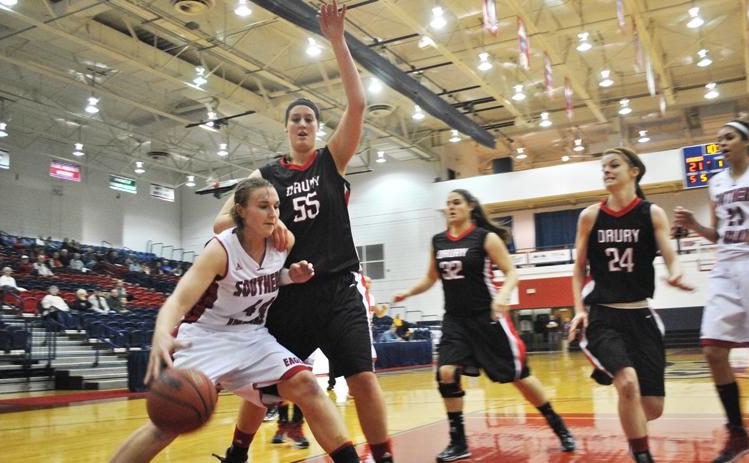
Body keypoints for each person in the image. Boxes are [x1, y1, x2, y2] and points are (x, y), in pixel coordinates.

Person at [212, 3, 392, 463]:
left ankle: (385, 457)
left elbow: (358, 104)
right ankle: (237, 454)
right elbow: (219, 222)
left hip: (339, 288)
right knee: (267, 386)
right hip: (288, 292)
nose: (303, 124)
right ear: (286, 129)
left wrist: (337, 40)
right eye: (295, 119)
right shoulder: (266, 176)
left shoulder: (333, 160)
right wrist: (270, 228)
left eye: (310, 119)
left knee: (362, 378)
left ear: (317, 129)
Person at [110, 178, 360, 463]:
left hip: (253, 337)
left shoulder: (283, 241)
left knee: (307, 385)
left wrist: (291, 275)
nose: (273, 214)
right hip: (206, 338)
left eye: (276, 207)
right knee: (168, 423)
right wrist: (161, 332)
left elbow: (263, 275)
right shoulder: (220, 250)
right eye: (263, 206)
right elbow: (178, 300)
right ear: (240, 211)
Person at [393, 189, 576, 462]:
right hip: (455, 320)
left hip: (487, 318)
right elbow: (431, 278)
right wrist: (407, 293)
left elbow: (512, 272)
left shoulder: (485, 238)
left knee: (519, 377)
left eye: (457, 203)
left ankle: (558, 426)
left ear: (470, 207)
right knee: (446, 372)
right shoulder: (438, 241)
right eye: (448, 204)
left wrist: (502, 296)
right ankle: (458, 442)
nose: (451, 207)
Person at [569, 147, 693, 463]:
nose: (607, 170)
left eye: (614, 165)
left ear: (634, 171)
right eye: (603, 167)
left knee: (652, 407)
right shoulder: (590, 216)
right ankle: (642, 455)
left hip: (640, 313)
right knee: (628, 384)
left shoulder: (651, 213)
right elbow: (579, 268)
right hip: (603, 315)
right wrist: (579, 309)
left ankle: (631, 423)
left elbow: (669, 254)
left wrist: (676, 273)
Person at [673, 120, 749, 463]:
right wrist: (694, 226)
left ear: (747, 141)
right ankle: (738, 432)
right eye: (719, 140)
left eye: (729, 137)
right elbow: (718, 234)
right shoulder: (715, 183)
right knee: (713, 350)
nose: (722, 144)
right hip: (726, 266)